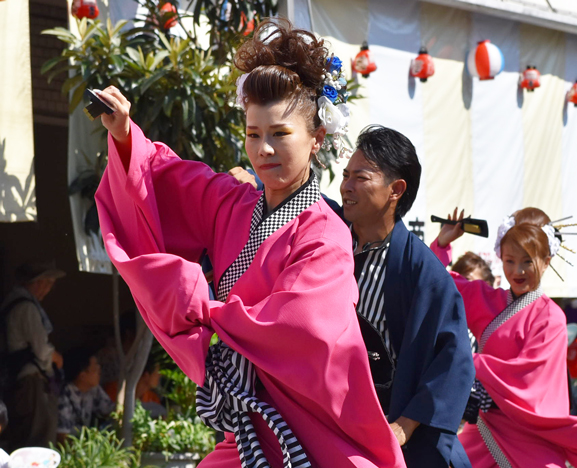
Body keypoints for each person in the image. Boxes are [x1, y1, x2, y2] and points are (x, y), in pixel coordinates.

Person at [94, 18, 405, 468]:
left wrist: (205, 309)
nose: (264, 149)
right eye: (254, 134)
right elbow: (161, 181)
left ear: (317, 138)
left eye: (281, 134)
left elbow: (300, 327)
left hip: (313, 421)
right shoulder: (232, 202)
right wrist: (124, 136)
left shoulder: (326, 232)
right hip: (254, 419)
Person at [432, 207, 577, 467]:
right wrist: (442, 243)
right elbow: (437, 284)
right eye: (509, 261)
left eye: (527, 261)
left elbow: (529, 378)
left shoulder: (551, 317)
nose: (517, 271)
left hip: (531, 437)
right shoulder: (488, 300)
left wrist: (469, 360)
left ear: (546, 260)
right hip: (485, 429)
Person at [338, 126, 474, 468]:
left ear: (396, 190)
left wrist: (404, 425)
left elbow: (453, 359)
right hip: (333, 419)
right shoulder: (330, 238)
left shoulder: (425, 271)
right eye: (345, 175)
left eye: (361, 177)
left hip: (392, 431)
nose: (346, 186)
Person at [0, 261, 64, 451]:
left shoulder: (13, 303)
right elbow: (41, 349)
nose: (48, 290)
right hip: (31, 380)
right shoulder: (26, 307)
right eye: (47, 283)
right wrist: (57, 358)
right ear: (38, 283)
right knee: (38, 439)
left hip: (20, 378)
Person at [57, 348, 115, 442]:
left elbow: (111, 411)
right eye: (95, 369)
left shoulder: (94, 389)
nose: (99, 370)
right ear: (82, 376)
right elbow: (62, 437)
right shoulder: (63, 394)